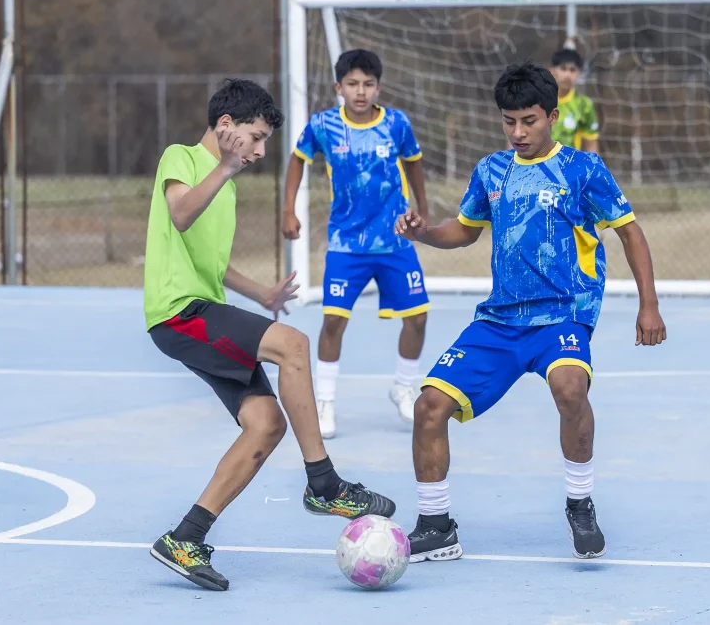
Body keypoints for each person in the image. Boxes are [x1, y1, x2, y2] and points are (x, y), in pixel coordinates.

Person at [394, 61, 666, 563]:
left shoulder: (583, 170)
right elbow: (465, 229)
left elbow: (630, 231)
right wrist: (424, 234)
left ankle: (580, 503)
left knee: (570, 388)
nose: (518, 132)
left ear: (553, 116)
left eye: (529, 121)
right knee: (428, 406)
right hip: (499, 322)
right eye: (509, 121)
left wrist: (648, 304)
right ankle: (436, 525)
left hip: (564, 314)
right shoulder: (491, 170)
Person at [144, 78, 395, 592]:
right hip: (177, 313)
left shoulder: (226, 185)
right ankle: (323, 482)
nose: (259, 151)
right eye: (255, 138)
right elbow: (181, 213)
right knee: (294, 344)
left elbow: (206, 262)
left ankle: (184, 538)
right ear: (225, 127)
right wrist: (225, 165)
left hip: (198, 307)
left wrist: (259, 292)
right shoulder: (183, 159)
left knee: (264, 424)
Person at [282, 49, 431, 439]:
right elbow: (297, 160)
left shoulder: (397, 124)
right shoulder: (324, 125)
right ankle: (326, 403)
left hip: (395, 240)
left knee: (417, 317)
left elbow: (414, 162)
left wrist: (423, 209)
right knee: (334, 320)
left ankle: (403, 386)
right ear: (339, 87)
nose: (360, 91)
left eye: (367, 84)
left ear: (378, 87)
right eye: (352, 84)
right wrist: (288, 209)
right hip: (346, 243)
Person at [549, 48, 600, 154]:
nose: (568, 75)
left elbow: (591, 143)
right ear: (552, 70)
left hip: (569, 167)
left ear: (578, 73)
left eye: (572, 70)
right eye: (563, 69)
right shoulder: (538, 99)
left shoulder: (584, 104)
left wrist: (593, 169)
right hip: (538, 166)